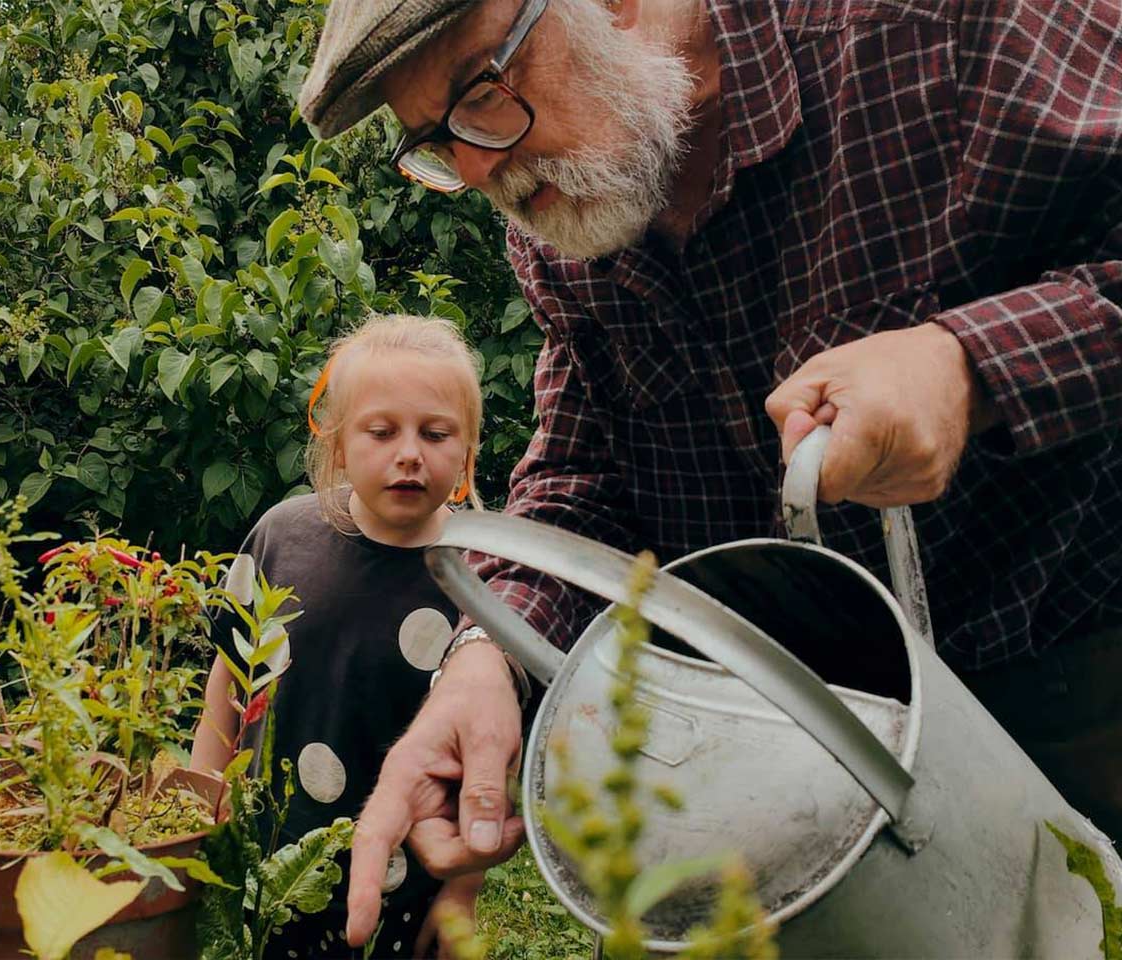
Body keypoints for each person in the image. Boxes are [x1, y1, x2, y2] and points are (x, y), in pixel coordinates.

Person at [294, 0, 1122, 946]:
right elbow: (589, 464)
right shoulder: (567, 205)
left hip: (1074, 679)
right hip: (782, 749)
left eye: (482, 91)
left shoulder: (935, 30)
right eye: (439, 140)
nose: (480, 166)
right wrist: (489, 657)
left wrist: (969, 366)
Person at [190, 315, 496, 958]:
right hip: (271, 861)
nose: (409, 452)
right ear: (336, 446)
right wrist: (202, 797)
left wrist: (461, 889)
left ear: (466, 451)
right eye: (382, 432)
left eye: (435, 433)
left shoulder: (485, 571)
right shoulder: (281, 537)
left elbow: (486, 755)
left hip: (409, 876)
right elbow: (228, 678)